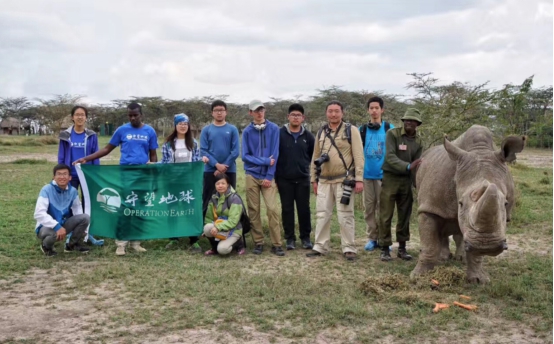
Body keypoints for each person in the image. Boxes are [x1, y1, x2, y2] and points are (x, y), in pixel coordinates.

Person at [74, 102, 158, 256]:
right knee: (125, 208)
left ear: (141, 115)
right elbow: (107, 149)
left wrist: (153, 174)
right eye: (130, 115)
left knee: (140, 208)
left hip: (143, 175)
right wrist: (86, 159)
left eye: (135, 115)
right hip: (126, 174)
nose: (133, 118)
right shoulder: (122, 130)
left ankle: (136, 242)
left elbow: (153, 154)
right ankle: (121, 244)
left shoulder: (150, 131)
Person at [306, 101, 365, 261]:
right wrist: (313, 179)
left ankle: (349, 247)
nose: (333, 114)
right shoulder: (321, 132)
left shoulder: (351, 130)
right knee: (322, 214)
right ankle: (320, 246)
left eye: (336, 111)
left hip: (344, 180)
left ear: (342, 113)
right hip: (324, 180)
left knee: (345, 215)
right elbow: (315, 157)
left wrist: (359, 179)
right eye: (330, 111)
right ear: (326, 113)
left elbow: (359, 156)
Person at [378, 108, 424, 262]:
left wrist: (417, 182)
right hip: (390, 177)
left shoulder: (418, 141)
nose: (409, 123)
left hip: (406, 180)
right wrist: (407, 166)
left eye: (412, 121)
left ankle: (402, 248)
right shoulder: (393, 134)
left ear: (418, 123)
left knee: (404, 215)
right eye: (407, 120)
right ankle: (384, 248)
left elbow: (417, 164)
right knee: (386, 214)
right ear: (403, 122)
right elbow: (390, 156)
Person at [241, 99, 284, 256]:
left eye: (261, 110)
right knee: (254, 209)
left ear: (265, 111)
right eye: (256, 110)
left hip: (267, 176)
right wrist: (265, 161)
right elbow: (245, 156)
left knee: (272, 209)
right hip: (251, 174)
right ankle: (258, 242)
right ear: (250, 113)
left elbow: (276, 154)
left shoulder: (273, 129)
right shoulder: (247, 131)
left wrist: (269, 175)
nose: (259, 113)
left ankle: (277, 243)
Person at [57, 105, 104, 246]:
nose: (79, 117)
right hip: (71, 175)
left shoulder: (91, 135)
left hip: (87, 174)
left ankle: (88, 233)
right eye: (77, 114)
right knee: (70, 204)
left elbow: (96, 155)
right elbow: (61, 156)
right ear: (72, 117)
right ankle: (70, 232)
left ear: (86, 117)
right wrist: (62, 173)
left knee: (88, 203)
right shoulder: (66, 135)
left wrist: (97, 174)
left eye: (82, 114)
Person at [160, 113, 202, 252]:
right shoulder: (168, 144)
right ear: (175, 126)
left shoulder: (194, 143)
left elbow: (196, 162)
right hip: (172, 183)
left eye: (185, 124)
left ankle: (194, 239)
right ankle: (173, 239)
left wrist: (202, 162)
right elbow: (165, 163)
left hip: (188, 183)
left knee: (190, 210)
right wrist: (154, 164)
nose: (183, 126)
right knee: (172, 210)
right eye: (180, 124)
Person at [275, 103, 315, 250]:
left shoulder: (308, 136)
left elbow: (313, 156)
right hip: (284, 179)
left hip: (303, 178)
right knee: (287, 209)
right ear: (288, 117)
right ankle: (290, 238)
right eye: (293, 115)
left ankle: (305, 238)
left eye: (298, 115)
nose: (296, 118)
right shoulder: (279, 134)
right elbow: (275, 155)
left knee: (304, 209)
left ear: (303, 118)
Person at [359, 96, 394, 252]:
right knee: (369, 209)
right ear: (368, 110)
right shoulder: (362, 130)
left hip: (384, 176)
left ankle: (384, 239)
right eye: (371, 108)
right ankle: (372, 238)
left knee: (384, 209)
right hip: (366, 176)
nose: (374, 110)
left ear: (382, 110)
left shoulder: (389, 129)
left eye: (377, 108)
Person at [34, 164, 90, 256]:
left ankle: (72, 245)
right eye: (59, 174)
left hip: (63, 223)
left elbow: (77, 208)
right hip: (46, 226)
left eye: (65, 174)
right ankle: (46, 246)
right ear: (54, 177)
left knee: (85, 218)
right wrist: (57, 226)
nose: (62, 177)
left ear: (70, 177)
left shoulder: (73, 191)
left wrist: (80, 228)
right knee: (53, 234)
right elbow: (39, 213)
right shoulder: (46, 189)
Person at [200, 100, 240, 216]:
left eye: (221, 110)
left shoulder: (232, 129)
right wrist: (216, 165)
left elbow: (235, 151)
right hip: (210, 170)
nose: (219, 113)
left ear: (226, 112)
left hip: (229, 170)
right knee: (208, 198)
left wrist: (223, 167)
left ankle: (229, 226)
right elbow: (203, 150)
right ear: (212, 113)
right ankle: (205, 226)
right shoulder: (206, 130)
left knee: (229, 198)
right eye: (216, 110)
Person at [203, 173, 246, 256]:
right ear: (215, 185)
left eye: (223, 183)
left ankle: (238, 243)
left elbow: (233, 221)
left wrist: (217, 227)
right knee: (207, 227)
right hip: (220, 227)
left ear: (228, 184)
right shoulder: (214, 198)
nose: (220, 186)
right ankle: (214, 248)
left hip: (234, 229)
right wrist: (206, 230)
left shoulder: (234, 198)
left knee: (222, 250)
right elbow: (209, 217)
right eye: (218, 184)